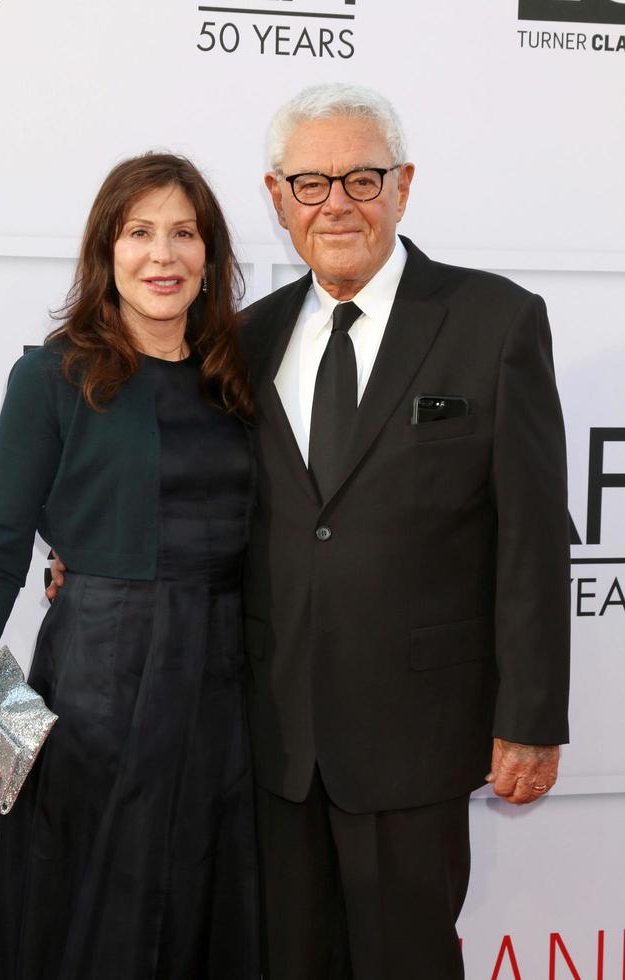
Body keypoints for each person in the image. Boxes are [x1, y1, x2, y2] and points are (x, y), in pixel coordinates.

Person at [238, 83, 570, 979]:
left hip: (417, 734)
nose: (336, 202)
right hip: (273, 733)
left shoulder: (494, 322)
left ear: (404, 185)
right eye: (310, 183)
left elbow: (535, 542)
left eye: (362, 177)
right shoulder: (244, 339)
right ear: (278, 199)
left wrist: (532, 719)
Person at [0, 153, 259, 979]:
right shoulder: (53, 377)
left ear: (209, 255)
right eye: (139, 233)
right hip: (99, 687)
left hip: (227, 691)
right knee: (95, 917)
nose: (162, 256)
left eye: (183, 233)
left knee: (208, 909)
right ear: (107, 249)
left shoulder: (238, 376)